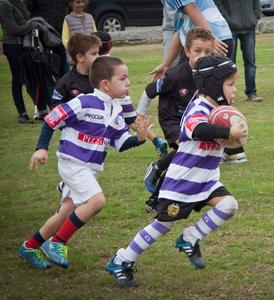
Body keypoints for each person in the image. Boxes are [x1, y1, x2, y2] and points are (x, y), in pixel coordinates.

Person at [105, 55, 247, 288]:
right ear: (213, 84)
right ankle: (121, 260)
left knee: (228, 205)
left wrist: (231, 136)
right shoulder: (198, 107)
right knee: (162, 225)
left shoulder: (218, 108)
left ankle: (190, 237)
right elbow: (198, 129)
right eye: (230, 84)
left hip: (207, 179)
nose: (234, 90)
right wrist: (227, 131)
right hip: (183, 181)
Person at [18, 56, 151, 270]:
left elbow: (121, 142)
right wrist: (41, 148)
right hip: (73, 163)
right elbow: (52, 119)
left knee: (65, 213)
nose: (128, 83)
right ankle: (57, 243)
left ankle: (30, 246)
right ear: (106, 84)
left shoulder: (115, 110)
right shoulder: (83, 102)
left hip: (89, 169)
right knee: (97, 201)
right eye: (123, 78)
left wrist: (140, 138)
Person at [154, 0, 248, 164]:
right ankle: (230, 146)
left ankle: (227, 146)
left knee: (208, 95)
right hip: (212, 38)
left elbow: (192, 9)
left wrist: (211, 39)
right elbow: (180, 31)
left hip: (210, 40)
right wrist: (167, 64)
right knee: (216, 94)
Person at [51, 32, 167, 156]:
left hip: (107, 121)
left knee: (132, 120)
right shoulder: (66, 82)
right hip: (81, 139)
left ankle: (156, 141)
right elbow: (55, 108)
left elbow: (130, 118)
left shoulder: (103, 76)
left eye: (98, 53)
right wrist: (68, 127)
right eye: (94, 53)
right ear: (80, 57)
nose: (98, 56)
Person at [137, 27, 214, 205]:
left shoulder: (209, 74)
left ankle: (156, 193)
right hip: (172, 119)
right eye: (197, 51)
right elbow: (150, 90)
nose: (203, 55)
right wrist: (141, 114)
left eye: (207, 52)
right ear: (187, 51)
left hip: (193, 121)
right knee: (185, 151)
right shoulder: (175, 75)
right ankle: (158, 172)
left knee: (184, 160)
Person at [215, 0, 263, 102]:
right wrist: (228, 20)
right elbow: (218, 3)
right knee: (229, 63)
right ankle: (226, 94)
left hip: (249, 28)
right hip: (230, 30)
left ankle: (251, 92)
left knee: (250, 61)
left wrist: (255, 16)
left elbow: (256, 3)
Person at [0, 0, 34, 123]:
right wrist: (31, 25)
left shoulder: (21, 3)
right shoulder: (5, 4)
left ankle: (41, 109)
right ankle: (22, 112)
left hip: (24, 45)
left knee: (31, 77)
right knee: (18, 79)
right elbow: (12, 29)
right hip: (12, 46)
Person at [26, 0, 69, 77]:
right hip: (40, 31)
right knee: (40, 61)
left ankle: (63, 85)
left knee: (63, 61)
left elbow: (70, 7)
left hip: (59, 32)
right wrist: (34, 28)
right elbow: (28, 10)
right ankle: (44, 85)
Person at [62, 0, 97, 65]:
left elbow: (95, 35)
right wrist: (73, 49)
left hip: (89, 55)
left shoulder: (90, 17)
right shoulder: (67, 19)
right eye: (78, 2)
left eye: (82, 2)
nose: (81, 4)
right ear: (71, 3)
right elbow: (65, 38)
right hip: (76, 56)